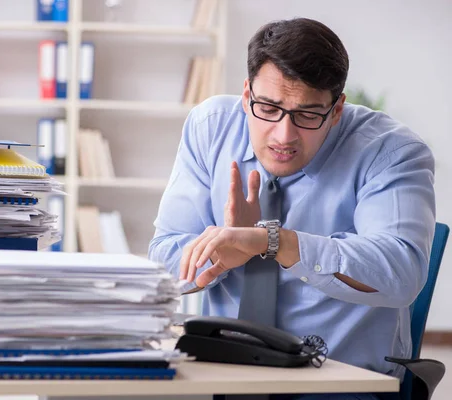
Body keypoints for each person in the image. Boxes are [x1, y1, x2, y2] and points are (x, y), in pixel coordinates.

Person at [148, 17, 435, 400]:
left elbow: (401, 270)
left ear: (336, 110)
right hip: (222, 372)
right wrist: (217, 255)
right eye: (268, 107)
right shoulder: (211, 128)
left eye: (307, 114)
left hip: (340, 383)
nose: (284, 135)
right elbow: (163, 257)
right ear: (247, 94)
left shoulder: (389, 151)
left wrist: (274, 242)